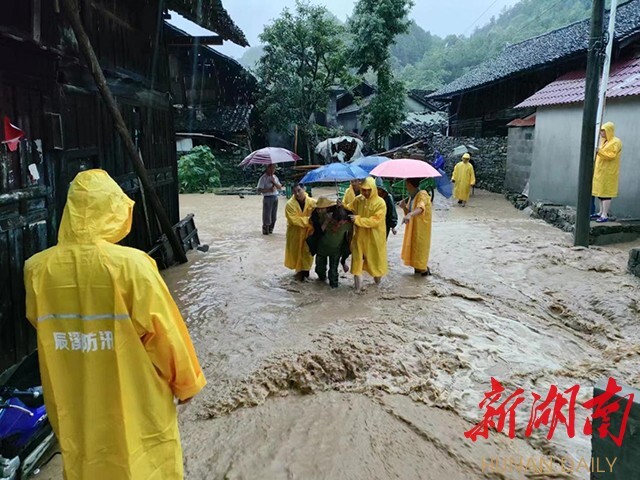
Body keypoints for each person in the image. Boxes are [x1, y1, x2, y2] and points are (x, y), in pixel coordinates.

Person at [23, 169, 206, 480]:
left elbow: (43, 327)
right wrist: (186, 384)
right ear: (112, 210)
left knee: (85, 462)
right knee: (144, 463)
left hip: (74, 398)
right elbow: (165, 334)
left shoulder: (37, 270)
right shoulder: (133, 266)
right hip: (137, 401)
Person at [344, 177, 388, 292]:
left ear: (373, 189)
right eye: (364, 190)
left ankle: (378, 286)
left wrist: (358, 220)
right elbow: (349, 208)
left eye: (369, 190)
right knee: (357, 262)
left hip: (375, 237)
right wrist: (341, 205)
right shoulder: (358, 200)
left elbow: (375, 221)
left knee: (375, 262)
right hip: (359, 236)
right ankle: (357, 289)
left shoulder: (380, 203)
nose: (366, 192)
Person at [308, 198, 352, 288]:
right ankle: (321, 283)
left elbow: (354, 214)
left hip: (336, 251)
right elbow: (317, 232)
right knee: (319, 270)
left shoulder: (347, 224)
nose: (337, 227)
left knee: (333, 274)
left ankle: (333, 291)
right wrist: (326, 222)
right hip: (321, 249)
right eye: (335, 224)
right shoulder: (322, 217)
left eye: (340, 225)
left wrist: (342, 206)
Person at [399, 177, 433, 276]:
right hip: (412, 229)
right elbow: (408, 213)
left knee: (419, 252)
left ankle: (425, 272)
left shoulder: (422, 195)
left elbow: (420, 208)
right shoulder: (412, 197)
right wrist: (404, 207)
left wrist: (410, 215)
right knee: (413, 253)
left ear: (409, 184)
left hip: (420, 230)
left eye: (406, 184)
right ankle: (418, 282)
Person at [591, 121, 622, 223]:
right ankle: (600, 212)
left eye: (603, 131)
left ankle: (605, 214)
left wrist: (599, 151)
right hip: (601, 172)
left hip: (608, 172)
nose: (601, 133)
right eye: (601, 131)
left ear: (609, 131)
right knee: (600, 193)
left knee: (606, 194)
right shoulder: (604, 141)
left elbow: (611, 155)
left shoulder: (616, 142)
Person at [285, 183, 316, 281]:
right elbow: (293, 220)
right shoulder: (289, 204)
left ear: (304, 189)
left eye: (299, 190)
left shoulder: (313, 203)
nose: (297, 194)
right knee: (296, 254)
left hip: (309, 233)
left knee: (307, 254)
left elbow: (320, 215)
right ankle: (299, 275)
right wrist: (309, 220)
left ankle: (305, 275)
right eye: (294, 192)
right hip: (295, 233)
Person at [257, 164, 283, 234]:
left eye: (273, 169)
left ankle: (271, 230)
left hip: (275, 197)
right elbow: (259, 189)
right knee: (267, 215)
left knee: (273, 216)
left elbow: (280, 187)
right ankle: (265, 230)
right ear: (267, 168)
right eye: (271, 168)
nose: (272, 170)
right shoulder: (263, 178)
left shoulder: (275, 177)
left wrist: (273, 182)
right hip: (267, 198)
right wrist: (269, 190)